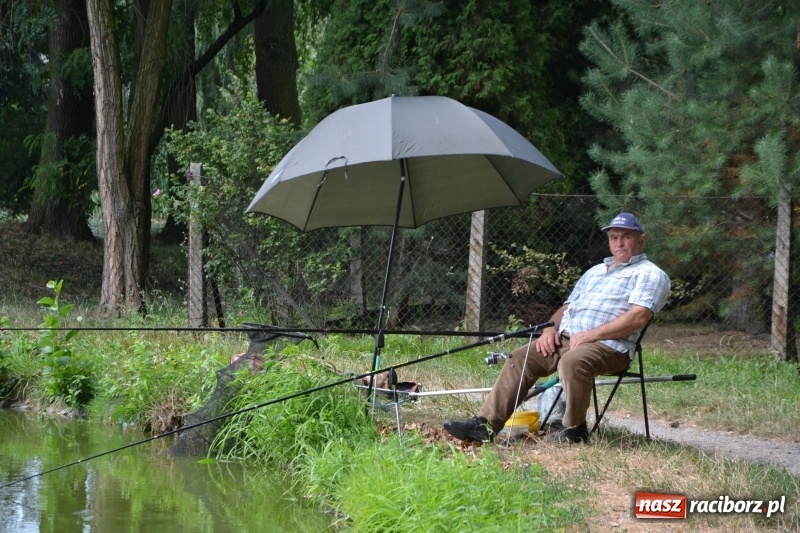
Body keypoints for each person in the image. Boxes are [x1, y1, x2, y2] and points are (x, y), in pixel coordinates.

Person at [444, 213, 671, 444]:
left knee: (573, 362)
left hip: (610, 345)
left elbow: (638, 317)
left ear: (641, 240)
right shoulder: (594, 272)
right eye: (614, 237)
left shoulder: (650, 274)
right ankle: (486, 425)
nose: (619, 242)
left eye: (626, 236)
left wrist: (591, 335)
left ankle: (574, 430)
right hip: (566, 339)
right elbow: (566, 308)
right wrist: (549, 330)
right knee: (521, 357)